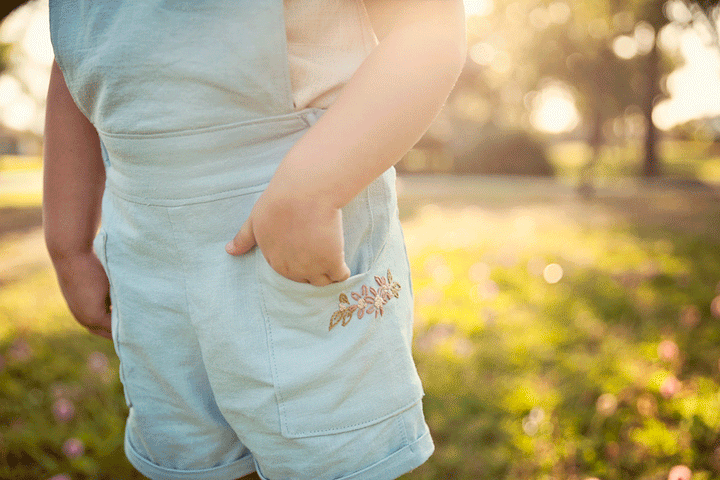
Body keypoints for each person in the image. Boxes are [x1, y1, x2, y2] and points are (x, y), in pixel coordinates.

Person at [43, 1, 466, 479]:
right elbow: (73, 64)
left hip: (299, 218)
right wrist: (68, 243)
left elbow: (427, 24)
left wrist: (316, 185)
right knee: (194, 459)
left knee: (330, 459)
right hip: (148, 255)